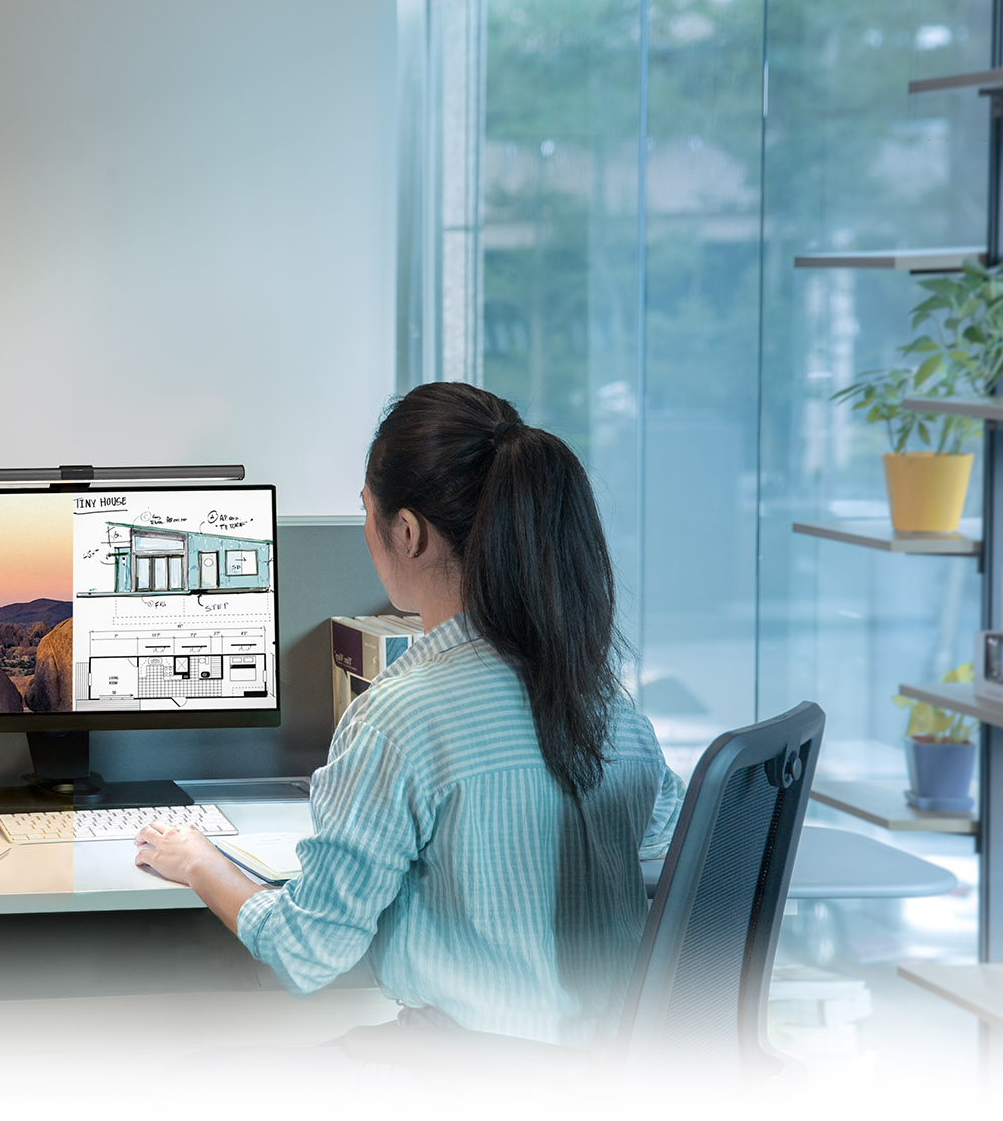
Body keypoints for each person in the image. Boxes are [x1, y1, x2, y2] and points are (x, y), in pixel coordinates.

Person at [133, 381, 684, 1049]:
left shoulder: (400, 717)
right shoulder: (600, 698)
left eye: (366, 510)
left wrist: (197, 861)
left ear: (408, 532)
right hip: (607, 1074)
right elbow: (665, 836)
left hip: (466, 1074)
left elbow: (309, 950)